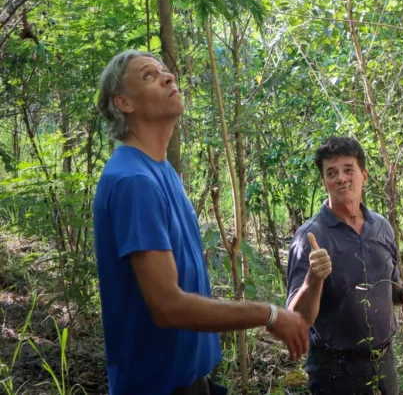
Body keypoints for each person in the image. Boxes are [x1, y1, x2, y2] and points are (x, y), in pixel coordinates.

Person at [93, 50, 308, 395]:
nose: (168, 77)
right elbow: (167, 307)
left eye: (165, 71)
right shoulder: (133, 181)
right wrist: (269, 314)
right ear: (124, 103)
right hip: (156, 386)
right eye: (149, 76)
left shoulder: (163, 172)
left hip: (190, 378)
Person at [286, 136, 403, 395]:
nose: (341, 178)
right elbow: (297, 319)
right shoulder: (310, 236)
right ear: (324, 183)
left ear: (363, 176)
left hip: (385, 364)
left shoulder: (381, 227)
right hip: (336, 370)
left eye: (348, 170)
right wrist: (313, 279)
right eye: (331, 173)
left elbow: (392, 286)